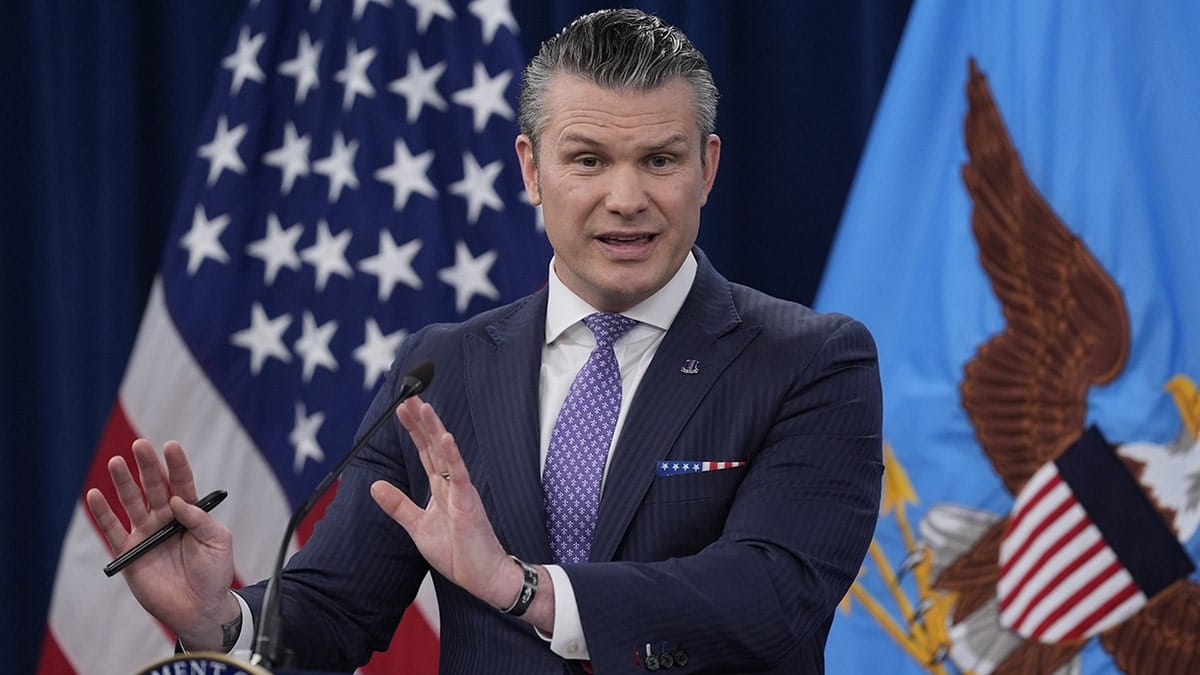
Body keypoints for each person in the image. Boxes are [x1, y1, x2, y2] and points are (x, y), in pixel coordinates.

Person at [87, 8, 883, 674]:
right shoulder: (443, 367)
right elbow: (334, 610)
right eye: (588, 159)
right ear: (531, 170)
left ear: (707, 168)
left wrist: (521, 587)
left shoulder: (810, 360)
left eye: (660, 159)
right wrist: (217, 614)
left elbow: (774, 597)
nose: (627, 197)